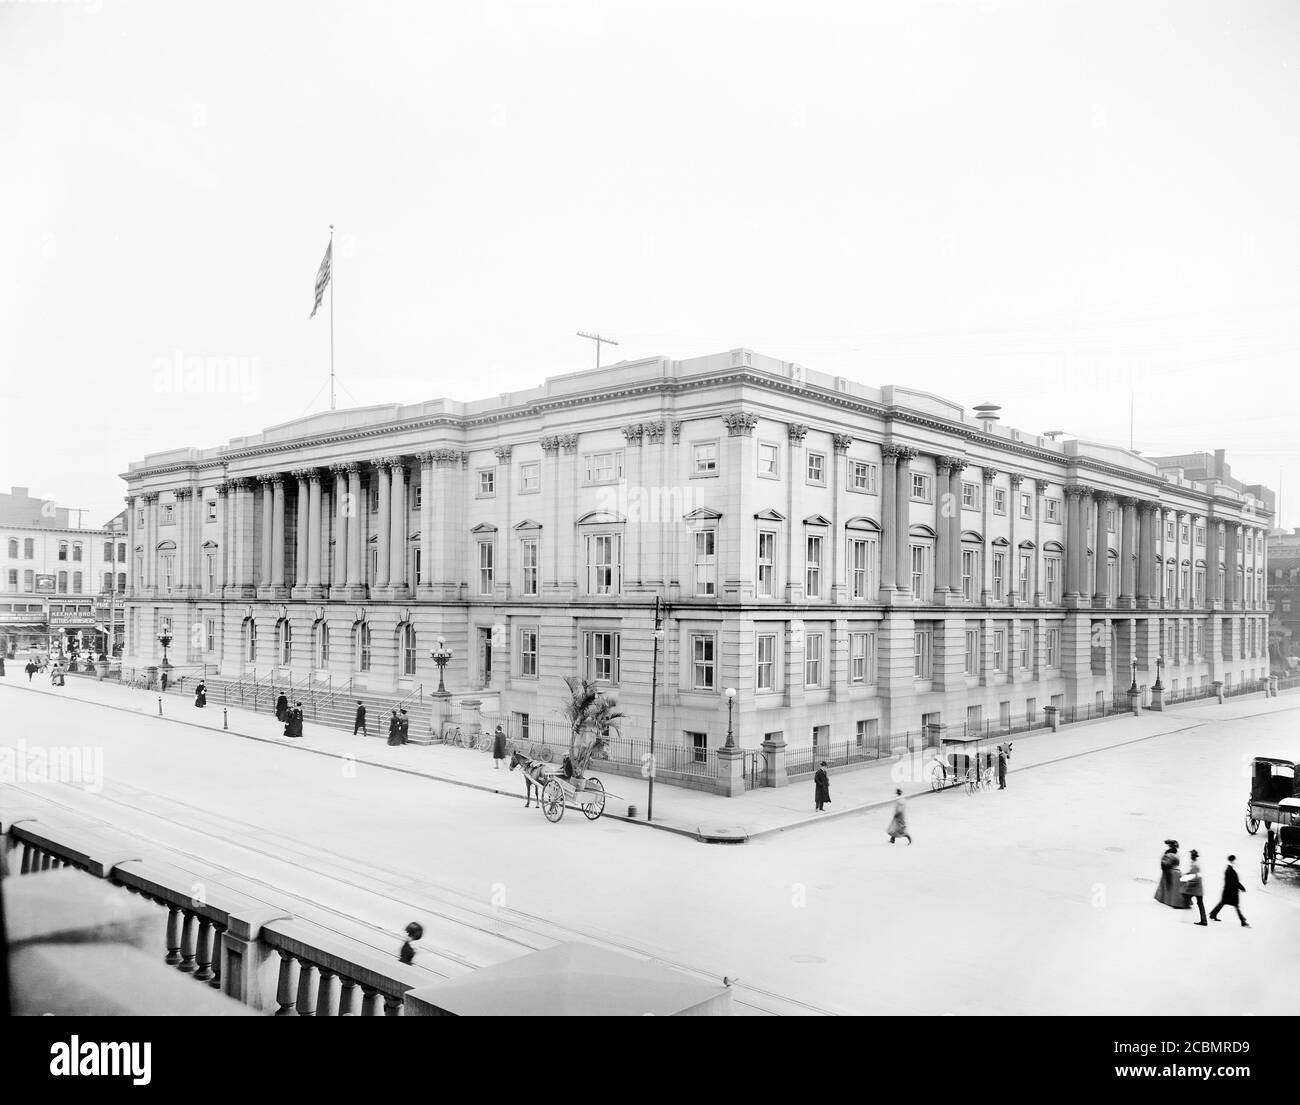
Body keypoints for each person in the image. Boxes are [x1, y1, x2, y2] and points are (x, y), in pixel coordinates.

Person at [1209, 855, 1248, 926]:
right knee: (1235, 906)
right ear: (1232, 861)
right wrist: (1240, 888)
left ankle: (1213, 914)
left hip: (1228, 892)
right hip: (1230, 892)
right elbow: (1232, 882)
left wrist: (1241, 888)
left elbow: (1234, 882)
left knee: (1223, 903)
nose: (1235, 862)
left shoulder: (1229, 869)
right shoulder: (1229, 870)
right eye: (1234, 860)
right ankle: (1243, 921)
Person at [1154, 840, 1189, 908]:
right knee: (1172, 885)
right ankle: (1172, 900)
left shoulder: (1169, 852)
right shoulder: (1172, 853)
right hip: (1170, 870)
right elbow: (1173, 862)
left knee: (1168, 885)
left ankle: (1165, 899)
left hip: (1169, 870)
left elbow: (1165, 862)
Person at [1181, 848, 1207, 925]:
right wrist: (1187, 874)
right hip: (1197, 889)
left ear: (1192, 856)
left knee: (1186, 899)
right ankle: (1204, 920)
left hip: (1195, 889)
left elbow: (1196, 877)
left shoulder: (1195, 865)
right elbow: (1195, 874)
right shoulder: (1195, 864)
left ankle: (1186, 918)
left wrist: (1187, 881)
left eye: (1191, 855)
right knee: (1200, 904)